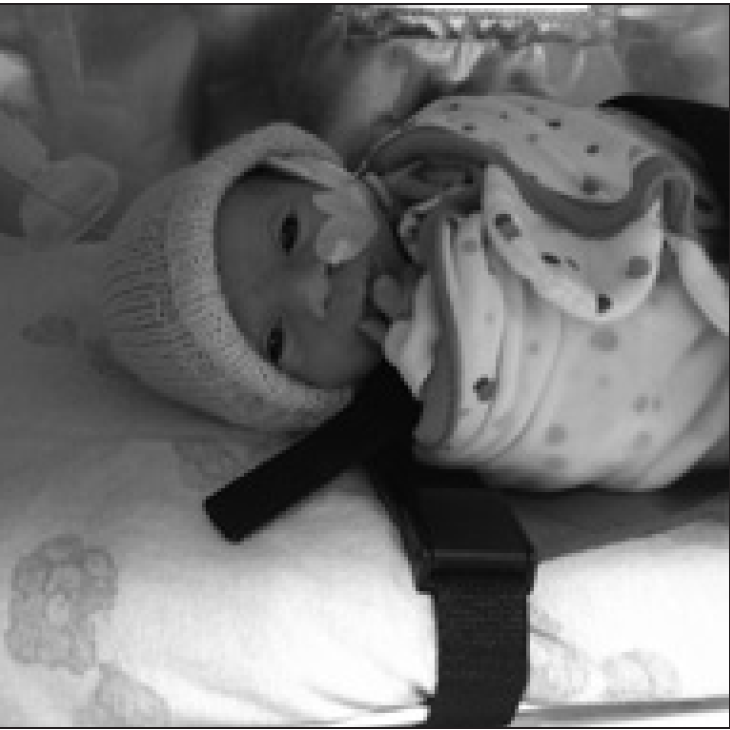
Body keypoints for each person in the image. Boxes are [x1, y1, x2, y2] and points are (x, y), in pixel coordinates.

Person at [102, 93, 728, 491]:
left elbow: (564, 136)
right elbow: (569, 418)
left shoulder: (435, 148)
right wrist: (458, 335)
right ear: (309, 396)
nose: (310, 287)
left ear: (318, 173)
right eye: (275, 338)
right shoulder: (437, 397)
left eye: (289, 232)